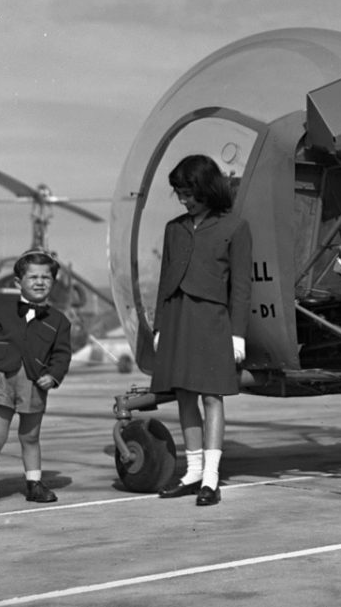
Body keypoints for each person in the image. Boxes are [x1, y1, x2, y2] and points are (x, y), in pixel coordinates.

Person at [152, 154, 251, 506]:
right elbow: (165, 281)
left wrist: (237, 334)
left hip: (213, 320)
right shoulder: (173, 229)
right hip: (178, 317)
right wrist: (160, 326)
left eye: (189, 193)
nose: (184, 200)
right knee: (184, 395)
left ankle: (211, 478)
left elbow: (240, 287)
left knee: (212, 396)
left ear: (208, 189)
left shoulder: (235, 227)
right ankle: (193, 472)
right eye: (179, 194)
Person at [0, 249, 72, 510]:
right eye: (32, 277)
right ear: (18, 283)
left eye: (46, 277)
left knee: (30, 437)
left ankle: (34, 485)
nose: (39, 282)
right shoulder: (1, 312)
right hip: (2, 381)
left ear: (53, 283)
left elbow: (62, 355)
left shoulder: (59, 321)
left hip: (34, 384)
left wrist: (53, 376)